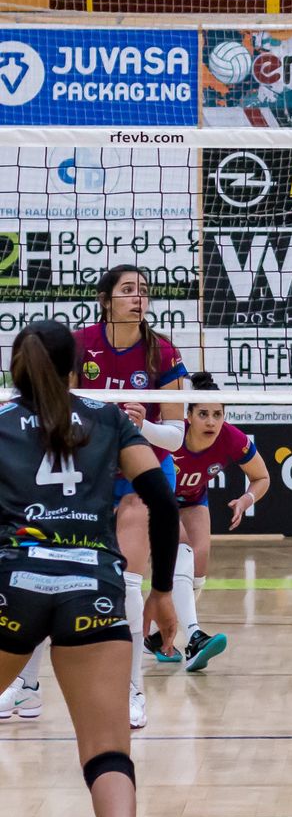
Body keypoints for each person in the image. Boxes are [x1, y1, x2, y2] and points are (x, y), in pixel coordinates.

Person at [0, 318, 181, 817]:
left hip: (15, 583)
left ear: (16, 368)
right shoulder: (108, 420)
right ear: (77, 367)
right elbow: (162, 502)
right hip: (92, 587)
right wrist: (163, 592)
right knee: (107, 749)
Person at [0, 267, 187, 730]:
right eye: (128, 291)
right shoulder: (79, 345)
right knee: (43, 564)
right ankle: (27, 687)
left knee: (123, 580)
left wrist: (138, 425)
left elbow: (176, 437)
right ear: (106, 300)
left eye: (144, 291)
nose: (138, 298)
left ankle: (130, 693)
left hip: (139, 466)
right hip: (84, 466)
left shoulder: (161, 350)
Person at [146, 372, 270, 673]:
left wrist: (245, 500)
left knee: (196, 570)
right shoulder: (169, 437)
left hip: (191, 499)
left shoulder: (231, 438)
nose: (211, 422)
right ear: (188, 415)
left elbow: (262, 477)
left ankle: (157, 637)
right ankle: (194, 636)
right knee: (183, 551)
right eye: (203, 414)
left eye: (217, 414)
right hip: (157, 499)